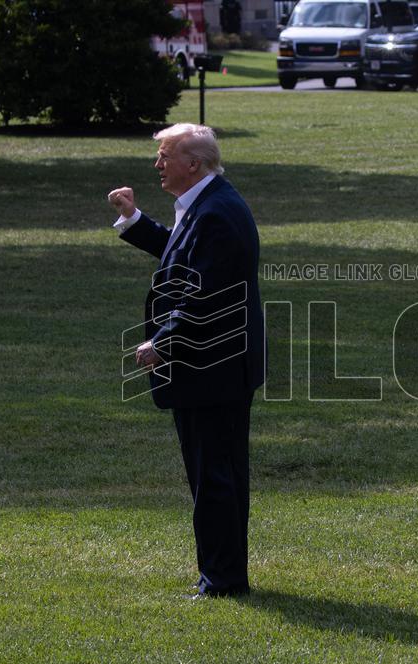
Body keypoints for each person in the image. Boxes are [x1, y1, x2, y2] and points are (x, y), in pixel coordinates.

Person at [107, 123, 264, 597]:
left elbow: (209, 294)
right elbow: (184, 253)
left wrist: (163, 341)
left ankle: (220, 580)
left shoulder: (216, 212)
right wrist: (136, 220)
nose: (157, 164)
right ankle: (225, 574)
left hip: (210, 367)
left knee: (214, 476)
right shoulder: (209, 203)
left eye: (164, 156)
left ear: (192, 164)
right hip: (219, 366)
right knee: (221, 473)